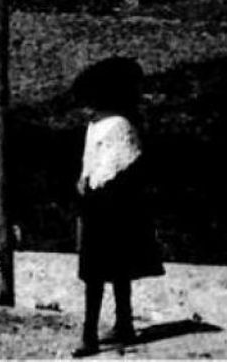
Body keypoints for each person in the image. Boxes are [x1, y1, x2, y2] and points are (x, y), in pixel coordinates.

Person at [70, 56, 163, 357]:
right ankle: (119, 324)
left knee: (107, 270)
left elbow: (120, 166)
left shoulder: (119, 126)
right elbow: (91, 164)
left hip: (115, 207)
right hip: (98, 205)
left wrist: (93, 183)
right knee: (104, 270)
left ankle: (96, 333)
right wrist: (84, 181)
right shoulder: (96, 126)